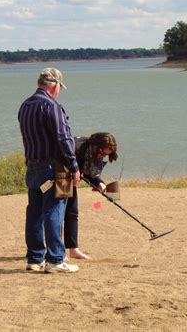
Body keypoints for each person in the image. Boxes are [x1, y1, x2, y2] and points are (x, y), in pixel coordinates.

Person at [18, 67, 81, 273]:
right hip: (56, 167)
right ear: (54, 86)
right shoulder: (52, 106)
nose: (59, 91)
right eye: (59, 88)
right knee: (55, 210)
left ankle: (35, 259)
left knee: (34, 212)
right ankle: (55, 259)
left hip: (32, 166)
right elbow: (63, 138)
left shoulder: (25, 106)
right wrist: (74, 166)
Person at [64, 132, 118, 259]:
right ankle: (55, 250)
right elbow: (63, 160)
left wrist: (99, 183)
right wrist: (73, 171)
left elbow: (89, 172)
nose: (103, 156)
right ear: (95, 146)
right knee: (56, 214)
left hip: (71, 180)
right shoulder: (75, 147)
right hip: (57, 176)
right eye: (103, 153)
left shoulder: (91, 151)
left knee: (72, 212)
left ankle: (73, 250)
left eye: (106, 155)